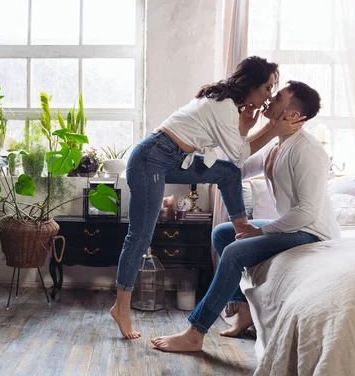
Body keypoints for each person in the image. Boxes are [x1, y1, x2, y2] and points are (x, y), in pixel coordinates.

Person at [111, 56, 306, 339]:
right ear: (251, 84)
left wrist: (246, 127)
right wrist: (273, 129)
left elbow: (235, 155)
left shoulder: (229, 105)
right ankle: (122, 308)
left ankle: (241, 231)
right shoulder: (223, 106)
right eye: (267, 87)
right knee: (140, 236)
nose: (268, 96)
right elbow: (240, 155)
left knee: (226, 173)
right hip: (151, 159)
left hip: (175, 157)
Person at [151, 80, 341, 352]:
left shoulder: (308, 150)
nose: (268, 100)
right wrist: (243, 129)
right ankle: (243, 309)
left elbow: (307, 211)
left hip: (311, 231)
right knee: (222, 233)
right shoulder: (277, 143)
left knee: (234, 252)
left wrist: (260, 231)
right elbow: (237, 168)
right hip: (293, 227)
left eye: (277, 98)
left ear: (294, 115)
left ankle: (195, 331)